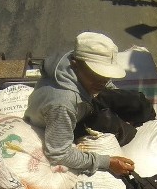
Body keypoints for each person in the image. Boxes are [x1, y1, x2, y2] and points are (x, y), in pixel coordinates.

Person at [25, 31, 135, 177]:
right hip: (59, 123)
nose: (102, 81)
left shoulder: (71, 60)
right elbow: (58, 154)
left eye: (105, 75)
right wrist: (107, 162)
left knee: (135, 101)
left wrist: (118, 98)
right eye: (96, 74)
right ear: (75, 64)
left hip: (81, 102)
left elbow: (105, 83)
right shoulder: (63, 105)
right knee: (121, 129)